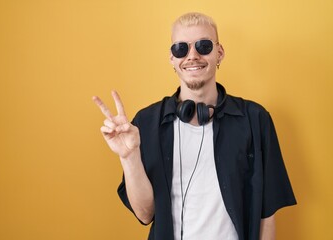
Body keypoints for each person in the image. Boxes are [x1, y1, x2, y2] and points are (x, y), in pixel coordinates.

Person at [93, 12, 296, 240]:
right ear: (172, 58)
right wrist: (129, 156)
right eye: (181, 48)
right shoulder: (146, 124)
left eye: (203, 46)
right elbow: (145, 213)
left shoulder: (255, 119)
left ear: (219, 53)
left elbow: (266, 213)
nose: (192, 55)